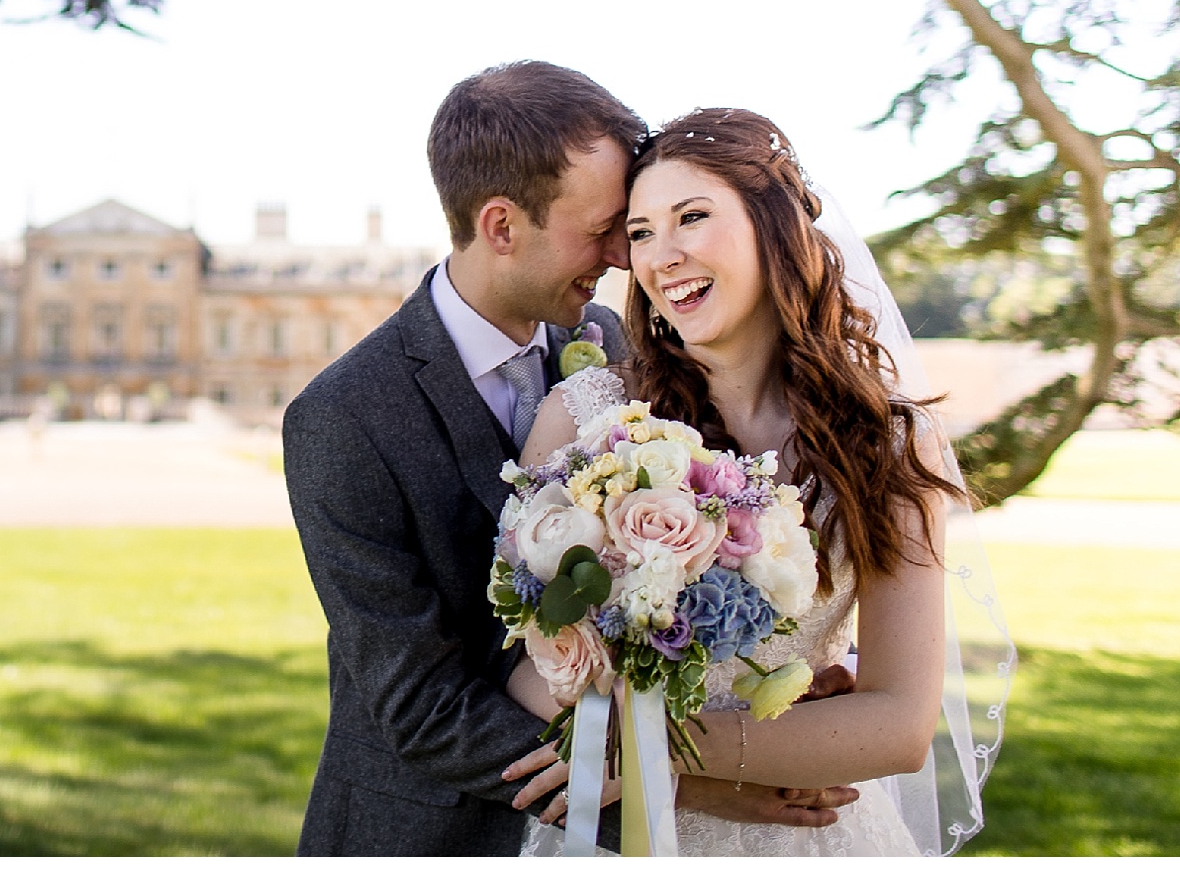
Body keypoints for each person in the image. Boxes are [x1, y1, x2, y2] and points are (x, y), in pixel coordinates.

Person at [283, 68, 864, 856]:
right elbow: (421, 704)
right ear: (501, 226)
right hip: (432, 832)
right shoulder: (343, 418)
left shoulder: (629, 353)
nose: (627, 257)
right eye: (604, 229)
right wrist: (692, 788)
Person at [505, 106, 976, 855]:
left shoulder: (885, 443)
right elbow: (523, 662)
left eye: (691, 216)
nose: (662, 256)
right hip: (617, 825)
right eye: (639, 232)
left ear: (774, 226)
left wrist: (665, 748)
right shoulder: (587, 418)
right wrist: (685, 780)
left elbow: (898, 724)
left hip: (808, 834)